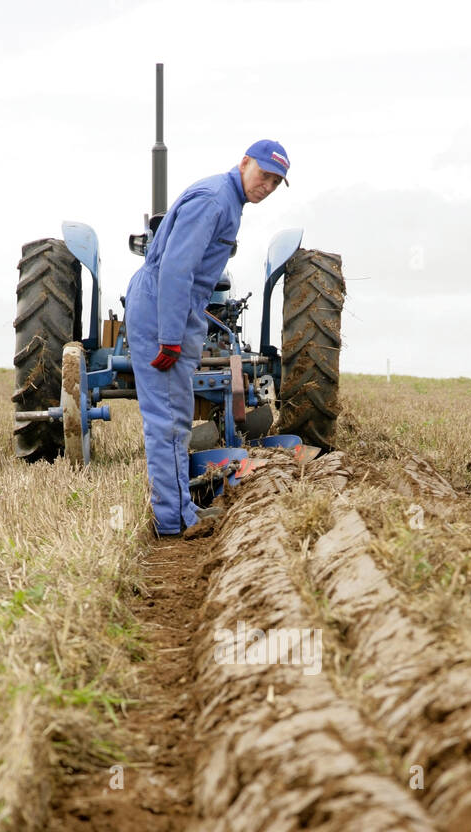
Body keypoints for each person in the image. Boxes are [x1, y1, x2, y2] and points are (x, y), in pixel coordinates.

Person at [125, 140, 290, 539]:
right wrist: (169, 338)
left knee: (177, 418)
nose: (266, 186)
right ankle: (172, 522)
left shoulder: (229, 202)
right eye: (263, 175)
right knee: (167, 421)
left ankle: (181, 513)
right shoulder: (216, 201)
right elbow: (176, 270)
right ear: (245, 162)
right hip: (165, 309)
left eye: (275, 181)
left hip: (184, 311)